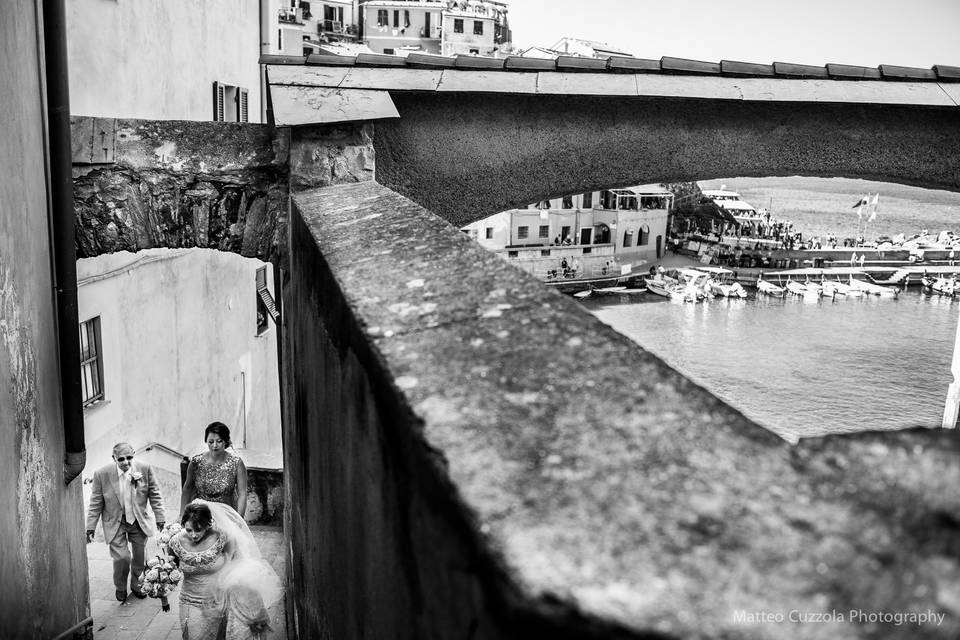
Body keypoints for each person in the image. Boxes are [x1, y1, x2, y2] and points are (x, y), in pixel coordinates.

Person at [170, 501, 282, 640]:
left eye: (198, 530)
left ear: (207, 525)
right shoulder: (175, 541)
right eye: (189, 530)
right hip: (189, 601)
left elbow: (240, 569)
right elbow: (169, 568)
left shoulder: (224, 537)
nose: (193, 535)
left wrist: (253, 610)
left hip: (218, 602)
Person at [86, 442, 166, 602]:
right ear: (113, 458)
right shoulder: (102, 474)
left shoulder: (145, 468)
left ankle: (137, 584)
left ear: (134, 455)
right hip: (115, 522)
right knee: (122, 558)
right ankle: (120, 586)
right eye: (121, 459)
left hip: (138, 520)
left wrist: (160, 516)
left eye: (129, 457)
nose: (125, 462)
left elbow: (155, 494)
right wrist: (90, 526)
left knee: (139, 556)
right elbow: (95, 502)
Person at [181, 422, 248, 518]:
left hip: (226, 516)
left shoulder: (236, 464)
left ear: (225, 441)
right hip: (200, 516)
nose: (215, 445)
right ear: (206, 441)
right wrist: (181, 514)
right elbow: (187, 489)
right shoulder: (196, 462)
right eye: (211, 442)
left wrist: (239, 519)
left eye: (219, 441)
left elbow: (242, 494)